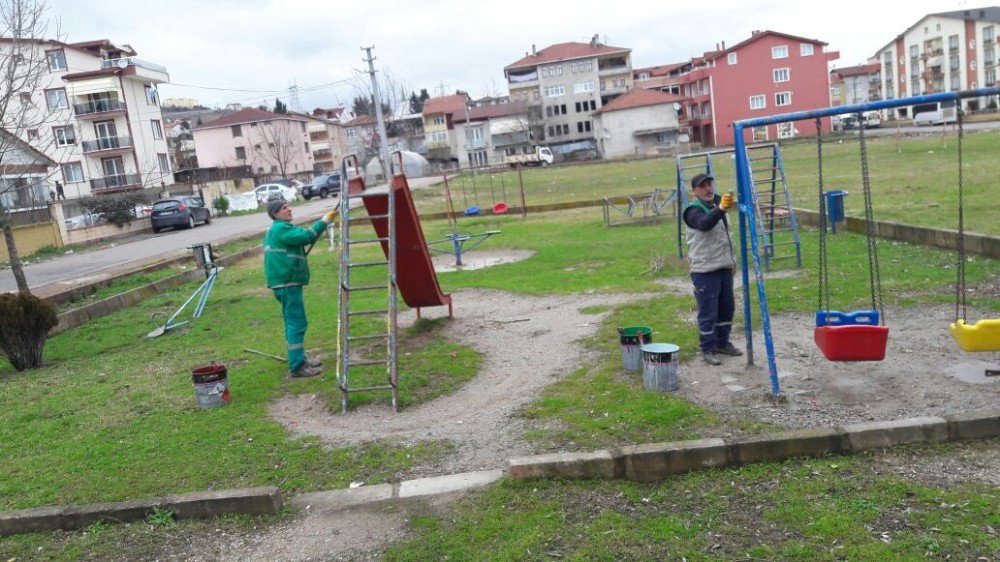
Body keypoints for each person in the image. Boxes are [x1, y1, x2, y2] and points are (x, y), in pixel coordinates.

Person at [264, 199, 336, 378]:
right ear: (275, 214)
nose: (288, 209)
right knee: (297, 323)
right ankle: (297, 366)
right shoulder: (281, 229)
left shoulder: (280, 229)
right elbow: (307, 236)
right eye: (283, 208)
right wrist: (325, 220)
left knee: (293, 322)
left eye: (288, 206)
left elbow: (301, 238)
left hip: (285, 282)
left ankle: (299, 358)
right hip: (287, 283)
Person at [683, 173, 743, 366]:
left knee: (727, 309)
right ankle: (707, 348)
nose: (708, 189)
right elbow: (705, 224)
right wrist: (721, 208)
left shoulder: (717, 203)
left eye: (710, 184)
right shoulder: (692, 211)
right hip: (704, 270)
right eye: (702, 186)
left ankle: (722, 343)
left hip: (724, 266)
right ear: (695, 191)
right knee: (709, 312)